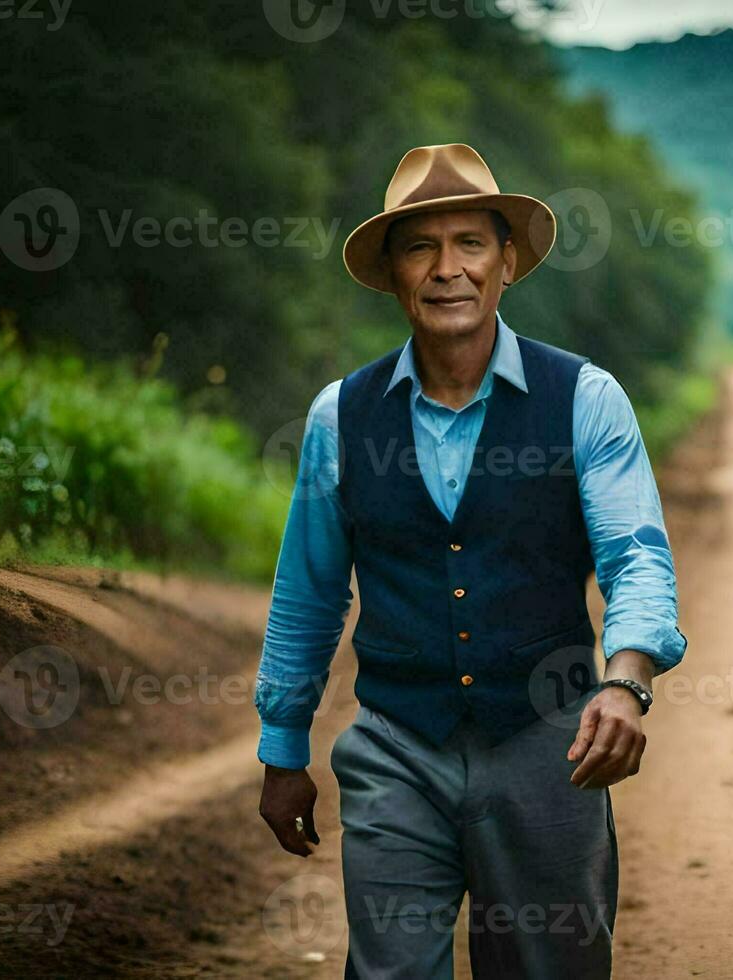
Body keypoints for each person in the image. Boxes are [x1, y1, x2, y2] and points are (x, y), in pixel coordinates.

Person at [252, 142, 687, 977]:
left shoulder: (585, 399)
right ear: (393, 272)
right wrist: (282, 748)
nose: (447, 269)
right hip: (394, 751)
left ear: (507, 263)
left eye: (470, 244)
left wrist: (626, 682)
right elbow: (307, 595)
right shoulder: (338, 417)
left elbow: (635, 556)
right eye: (421, 246)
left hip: (550, 748)